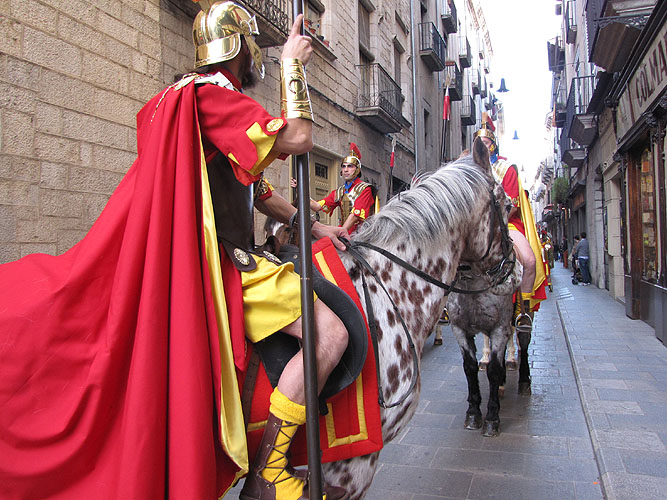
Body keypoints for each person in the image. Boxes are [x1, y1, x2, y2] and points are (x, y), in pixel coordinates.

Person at [0, 3, 348, 499]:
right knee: (330, 334)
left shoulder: (183, 97)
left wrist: (313, 226)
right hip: (224, 266)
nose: (257, 58)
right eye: (254, 48)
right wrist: (292, 64)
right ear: (241, 49)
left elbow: (255, 191)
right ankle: (269, 471)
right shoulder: (213, 97)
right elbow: (299, 137)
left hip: (223, 256)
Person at [474, 119, 547, 328]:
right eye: (479, 144)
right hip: (476, 226)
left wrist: (493, 220)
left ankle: (523, 311)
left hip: (506, 224)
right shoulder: (469, 170)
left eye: (486, 143)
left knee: (529, 261)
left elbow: (512, 205)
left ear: (493, 145)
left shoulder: (507, 170)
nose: (483, 147)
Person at [291, 143, 376, 234]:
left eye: (350, 166)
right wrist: (301, 188)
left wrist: (341, 232)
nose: (346, 170)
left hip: (362, 235)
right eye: (343, 166)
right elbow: (316, 206)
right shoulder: (340, 192)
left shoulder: (365, 189)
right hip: (345, 232)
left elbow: (355, 215)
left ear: (357, 169)